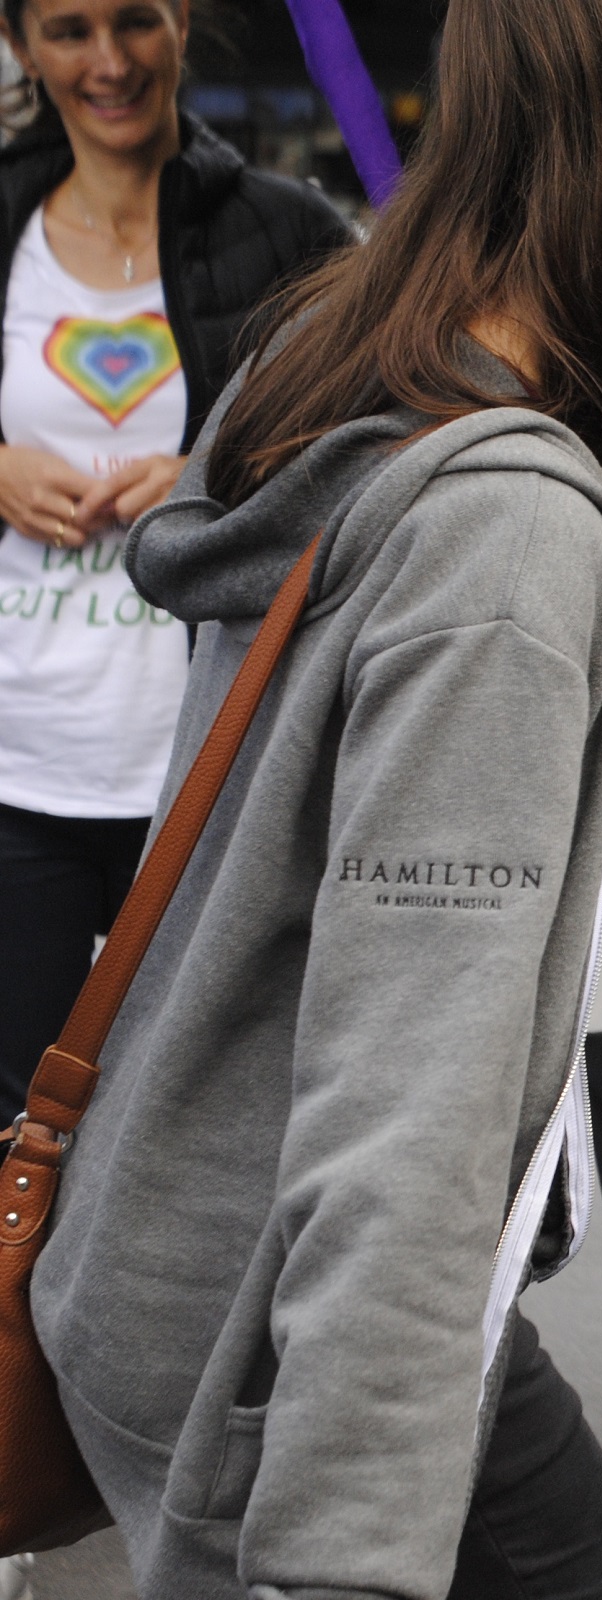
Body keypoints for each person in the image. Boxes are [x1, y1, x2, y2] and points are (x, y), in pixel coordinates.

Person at [25, 0, 602, 1587]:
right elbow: (404, 1114)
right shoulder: (506, 532)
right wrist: (339, 1561)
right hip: (282, 1342)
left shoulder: (335, 354)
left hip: (181, 1245)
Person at [0, 0, 347, 1120]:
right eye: (67, 30)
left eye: (136, 21)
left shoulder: (288, 231)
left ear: (184, 22)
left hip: (209, 767)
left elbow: (371, 444)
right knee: (17, 1131)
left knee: (192, 1126)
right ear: (17, 44)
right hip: (19, 770)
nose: (109, 62)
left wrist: (213, 475)